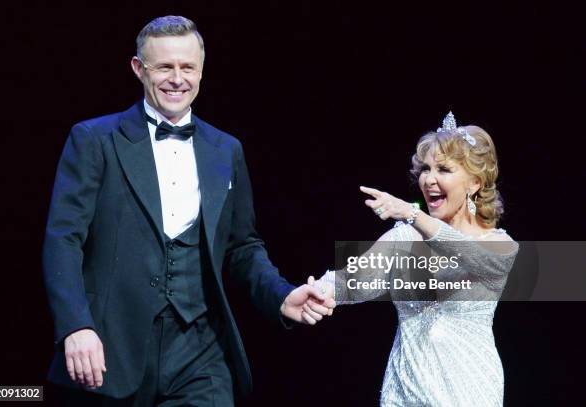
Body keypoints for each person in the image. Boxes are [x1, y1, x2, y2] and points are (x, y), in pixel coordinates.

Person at [43, 15, 334, 406]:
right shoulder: (95, 139)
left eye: (187, 67)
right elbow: (64, 240)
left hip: (200, 350)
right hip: (114, 348)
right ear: (138, 69)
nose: (176, 78)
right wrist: (76, 326)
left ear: (200, 70)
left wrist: (280, 296)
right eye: (164, 66)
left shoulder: (225, 149)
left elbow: (242, 246)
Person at [312, 112, 519, 406]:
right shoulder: (404, 239)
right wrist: (314, 291)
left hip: (468, 390)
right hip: (406, 388)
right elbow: (355, 282)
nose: (429, 179)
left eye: (443, 170)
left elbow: (478, 260)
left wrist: (413, 214)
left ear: (473, 183)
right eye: (425, 169)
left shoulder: (497, 244)